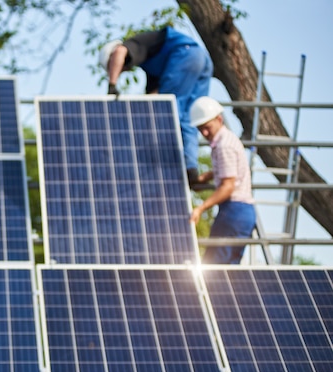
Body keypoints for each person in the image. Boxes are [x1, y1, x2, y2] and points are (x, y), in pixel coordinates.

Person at [99, 26, 213, 186]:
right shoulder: (151, 67)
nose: (124, 69)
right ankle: (191, 169)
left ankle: (167, 167)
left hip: (184, 56)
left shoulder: (133, 44)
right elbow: (155, 97)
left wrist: (112, 85)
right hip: (202, 59)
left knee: (170, 114)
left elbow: (120, 51)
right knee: (189, 118)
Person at [188, 96, 256, 264]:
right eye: (200, 129)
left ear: (219, 119)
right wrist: (208, 175)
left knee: (214, 269)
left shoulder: (224, 145)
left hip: (234, 211)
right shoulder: (228, 140)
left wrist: (201, 208)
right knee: (228, 272)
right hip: (243, 213)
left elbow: (227, 187)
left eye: (207, 127)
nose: (204, 133)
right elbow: (230, 170)